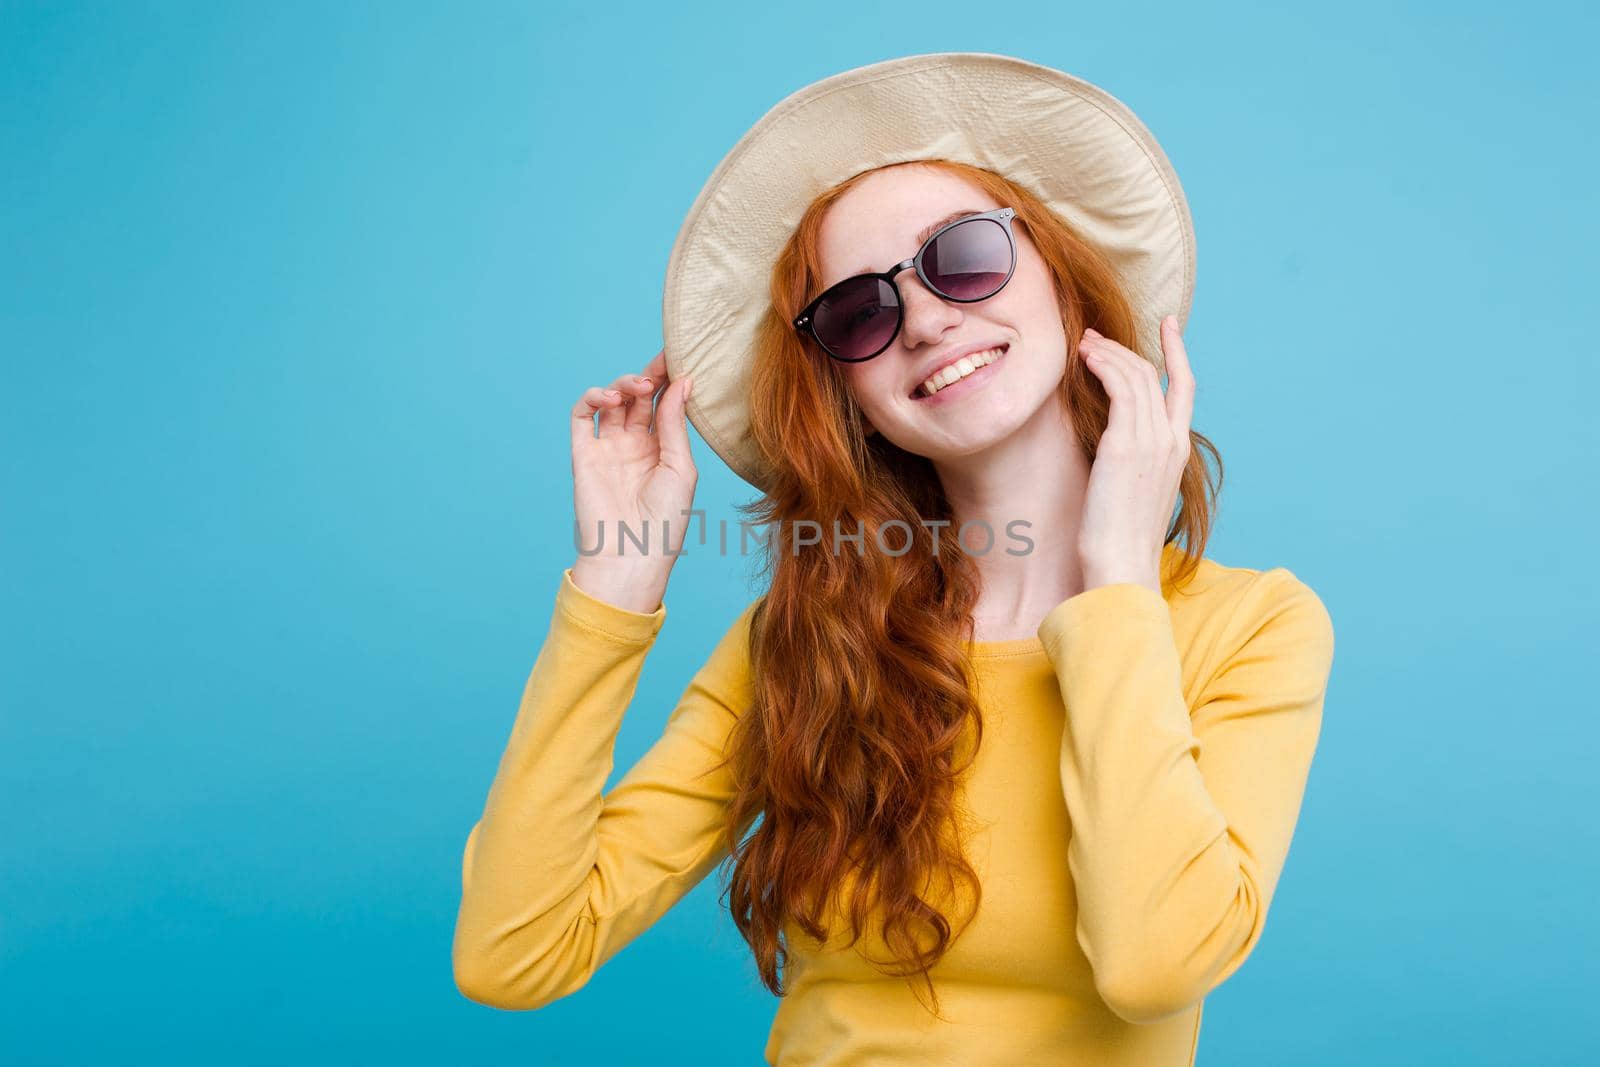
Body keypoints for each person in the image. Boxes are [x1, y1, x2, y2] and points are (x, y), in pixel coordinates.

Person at [452, 53, 1335, 1066]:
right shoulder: (804, 643)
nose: (922, 318)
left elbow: (1153, 966)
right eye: (859, 312)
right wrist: (615, 586)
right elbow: (512, 953)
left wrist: (1117, 582)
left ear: (1062, 275)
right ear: (844, 392)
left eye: (962, 256)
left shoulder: (1252, 626)